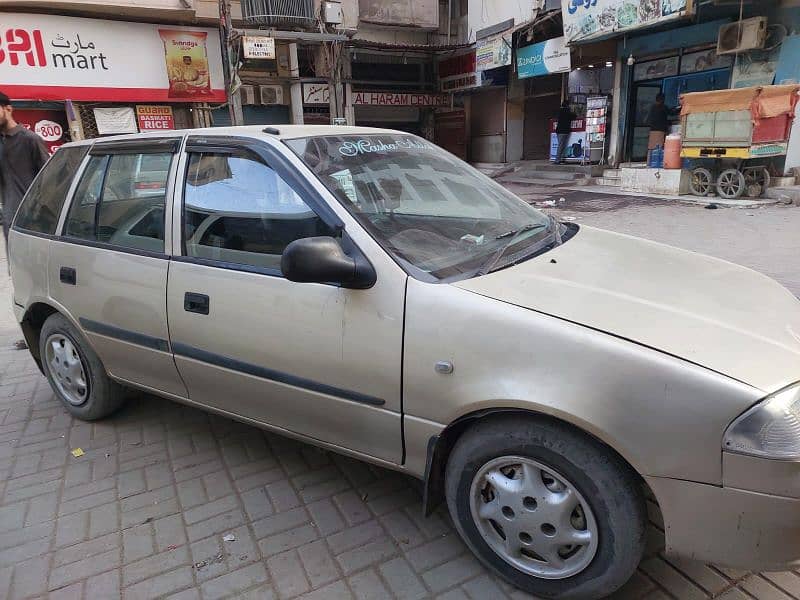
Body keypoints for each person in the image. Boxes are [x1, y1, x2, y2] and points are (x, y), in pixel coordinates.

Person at [0, 91, 49, 248]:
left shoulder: (30, 139)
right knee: (16, 268)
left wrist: (37, 211)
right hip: (10, 219)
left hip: (33, 220)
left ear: (8, 109)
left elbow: (49, 179)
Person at [554, 100, 575, 164]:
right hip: (564, 131)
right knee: (562, 145)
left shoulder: (559, 111)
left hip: (559, 130)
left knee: (561, 145)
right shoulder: (567, 111)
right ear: (567, 105)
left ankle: (560, 159)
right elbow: (573, 116)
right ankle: (558, 160)